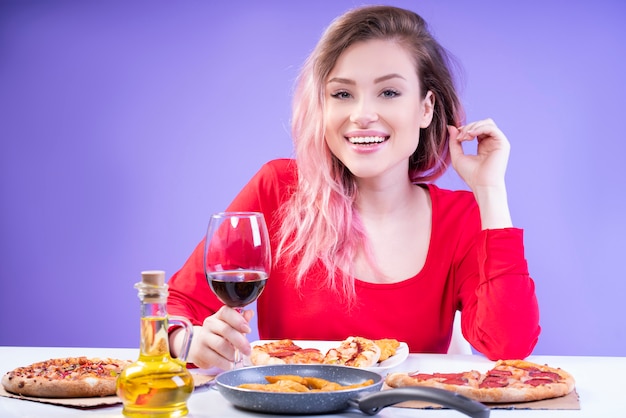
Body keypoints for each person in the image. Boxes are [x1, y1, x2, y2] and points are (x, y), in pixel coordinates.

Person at [167, 5, 540, 371]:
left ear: (426, 108)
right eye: (342, 94)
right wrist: (188, 343)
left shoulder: (461, 219)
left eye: (389, 92)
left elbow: (508, 345)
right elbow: (174, 307)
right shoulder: (277, 189)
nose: (361, 114)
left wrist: (490, 191)